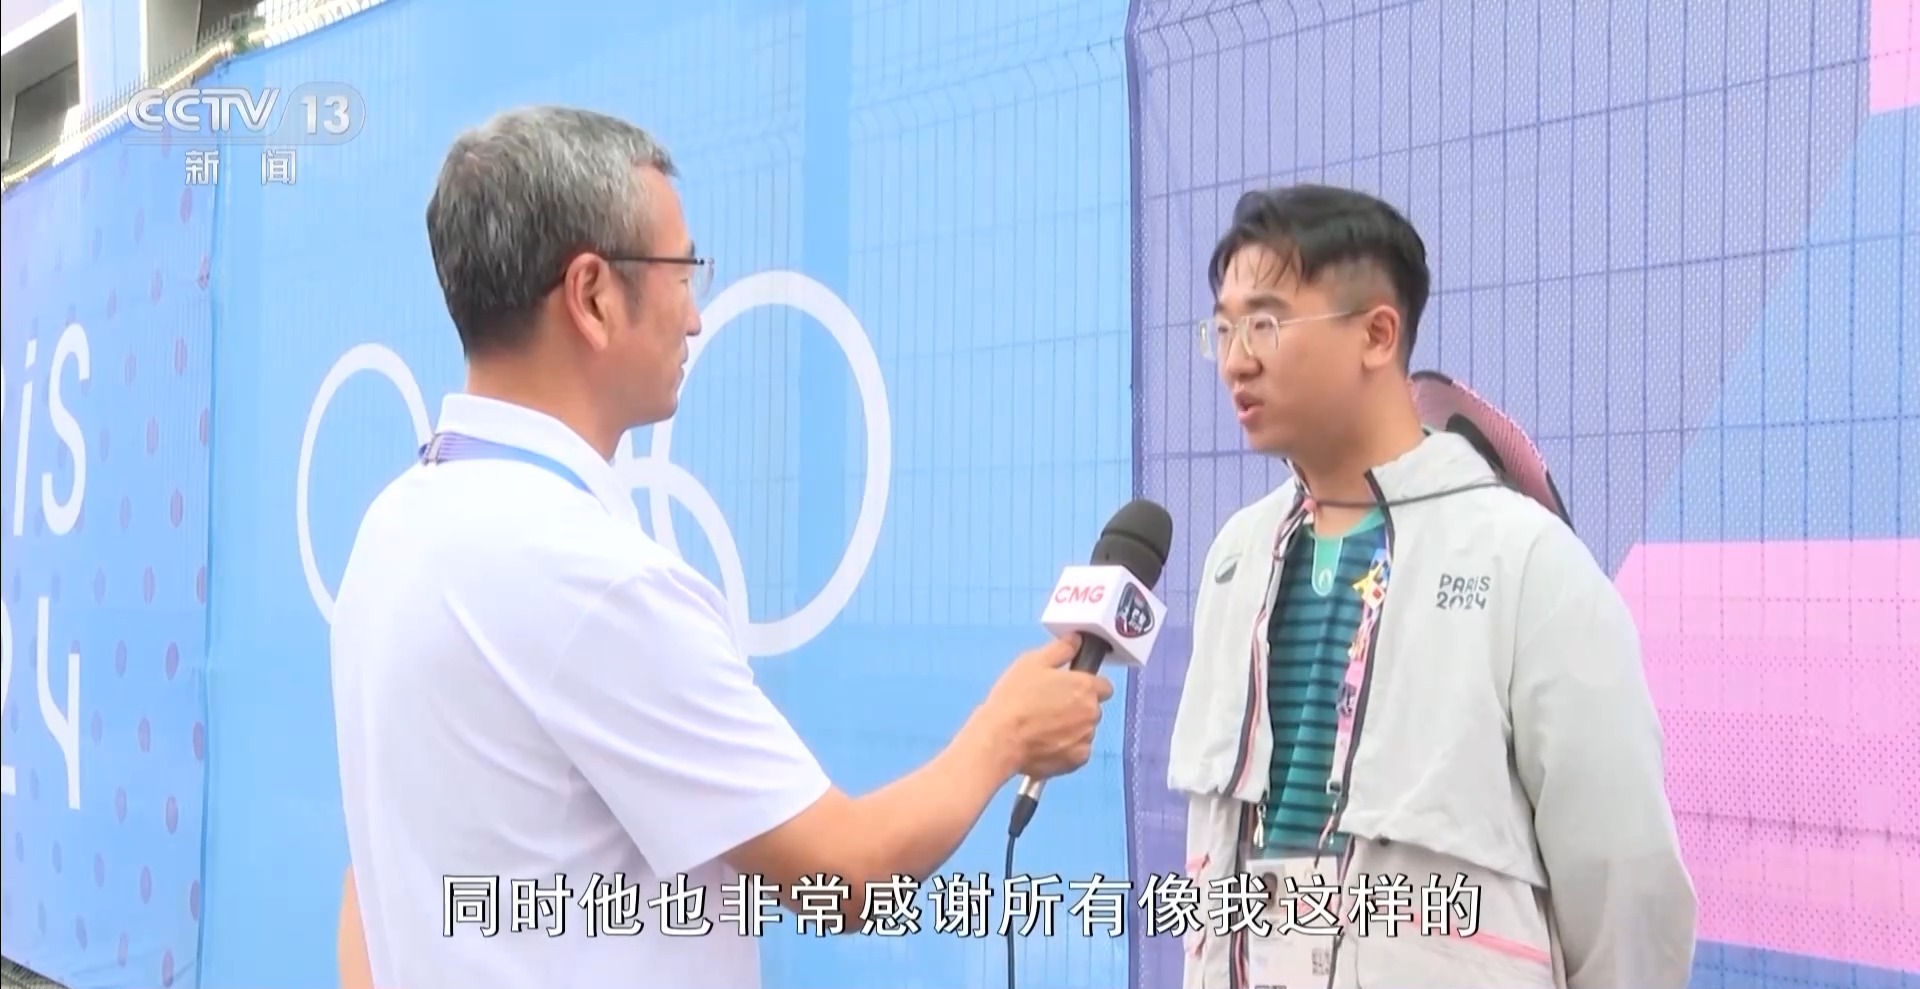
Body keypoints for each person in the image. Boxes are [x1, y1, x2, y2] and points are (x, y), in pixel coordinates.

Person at [328, 106, 1113, 989]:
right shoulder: (594, 578)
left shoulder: (393, 524)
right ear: (592, 295)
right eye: (681, 271)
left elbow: (373, 885)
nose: (695, 317)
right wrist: (1004, 733)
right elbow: (844, 874)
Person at [1165, 185, 1695, 989]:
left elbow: (1624, 879)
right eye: (1224, 328)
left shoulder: (1523, 558)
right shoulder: (1237, 555)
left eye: (1266, 323)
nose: (1237, 358)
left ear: (1377, 334)